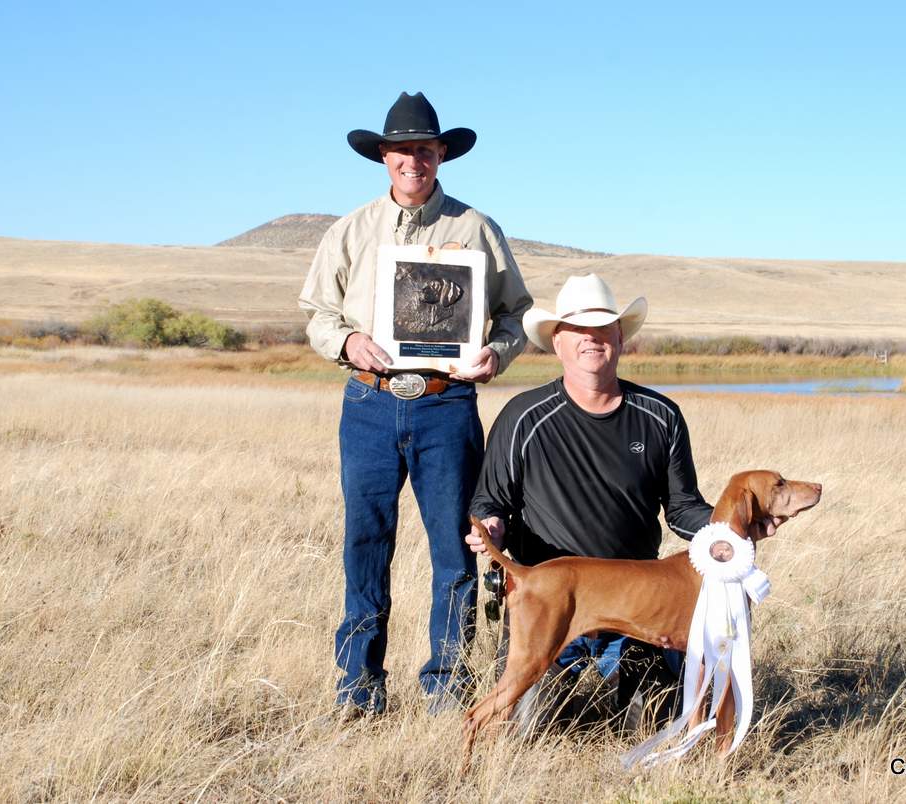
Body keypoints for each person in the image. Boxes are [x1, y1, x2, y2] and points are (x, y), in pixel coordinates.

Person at [299, 92, 532, 717]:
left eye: (425, 150)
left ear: (441, 155)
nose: (413, 160)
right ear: (383, 156)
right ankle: (358, 691)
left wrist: (495, 355)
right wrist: (347, 339)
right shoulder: (348, 231)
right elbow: (317, 315)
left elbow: (517, 317)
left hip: (446, 404)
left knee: (455, 548)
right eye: (402, 150)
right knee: (365, 542)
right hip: (368, 403)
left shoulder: (477, 229)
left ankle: (446, 689)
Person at [466, 273, 712, 724]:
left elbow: (682, 509)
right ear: (557, 342)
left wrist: (728, 531)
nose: (591, 339)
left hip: (636, 600)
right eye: (578, 330)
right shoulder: (524, 416)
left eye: (603, 329)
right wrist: (492, 526)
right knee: (530, 728)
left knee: (654, 723)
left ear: (620, 337)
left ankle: (637, 687)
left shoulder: (660, 417)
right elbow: (489, 502)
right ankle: (550, 688)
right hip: (556, 598)